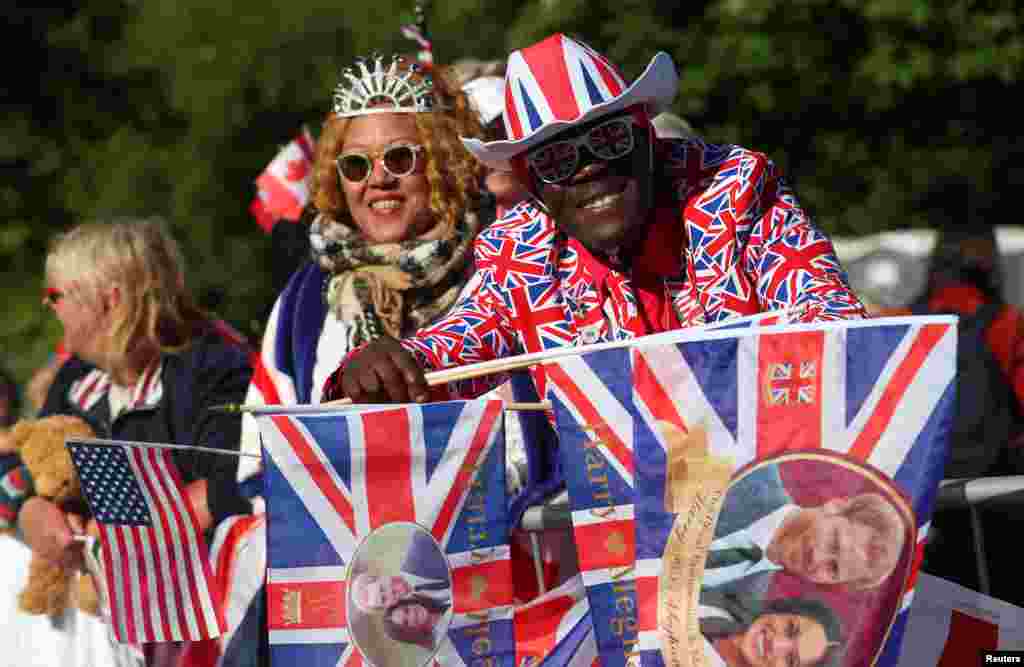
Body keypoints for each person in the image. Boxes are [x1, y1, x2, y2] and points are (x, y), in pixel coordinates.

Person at [322, 33, 866, 406]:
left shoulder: (735, 190)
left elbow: (833, 322)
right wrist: (382, 367)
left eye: (608, 138)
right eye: (556, 158)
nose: (587, 168)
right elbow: (452, 350)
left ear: (647, 138)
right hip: (629, 532)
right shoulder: (521, 256)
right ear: (533, 184)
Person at [198, 53, 491, 667]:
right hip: (340, 596)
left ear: (441, 163)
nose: (377, 180)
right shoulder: (306, 299)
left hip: (480, 586)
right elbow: (260, 452)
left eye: (400, 159)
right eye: (356, 165)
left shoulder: (499, 270)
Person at [0, 219, 252, 665]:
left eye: (57, 295)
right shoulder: (78, 378)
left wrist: (120, 535)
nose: (48, 306)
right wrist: (31, 511)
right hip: (99, 608)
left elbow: (238, 484)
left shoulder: (214, 369)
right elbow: (24, 467)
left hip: (192, 612)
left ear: (109, 299)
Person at [703, 463, 907, 598]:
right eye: (834, 542)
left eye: (833, 568)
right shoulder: (753, 468)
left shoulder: (746, 602)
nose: (817, 557)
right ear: (835, 506)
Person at [699, 595, 844, 667]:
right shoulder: (725, 603)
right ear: (782, 611)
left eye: (790, 660)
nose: (775, 644)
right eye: (790, 628)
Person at [381, 596, 450, 650]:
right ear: (409, 633)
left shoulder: (442, 600)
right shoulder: (444, 643)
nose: (412, 614)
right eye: (406, 622)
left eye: (406, 610)